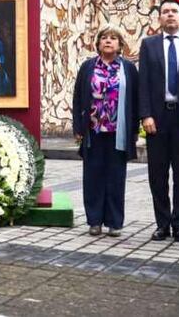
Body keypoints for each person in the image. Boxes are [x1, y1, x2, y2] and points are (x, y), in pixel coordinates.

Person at [137, 0, 179, 243]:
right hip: (157, 118)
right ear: (159, 18)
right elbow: (142, 83)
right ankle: (162, 223)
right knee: (157, 174)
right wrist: (145, 115)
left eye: (174, 11)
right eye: (165, 11)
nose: (169, 15)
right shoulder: (148, 45)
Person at [72, 24, 139, 237]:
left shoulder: (128, 69)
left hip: (117, 132)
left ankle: (114, 222)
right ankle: (94, 221)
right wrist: (77, 127)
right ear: (98, 43)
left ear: (120, 45)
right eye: (104, 38)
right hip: (93, 131)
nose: (108, 41)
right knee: (92, 176)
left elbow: (135, 102)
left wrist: (134, 130)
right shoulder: (88, 67)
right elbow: (78, 98)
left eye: (113, 38)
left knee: (116, 177)